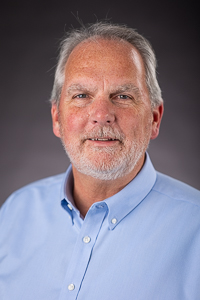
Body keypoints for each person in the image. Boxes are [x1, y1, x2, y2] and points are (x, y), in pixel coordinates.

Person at [0, 22, 200, 300]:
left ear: (154, 118)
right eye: (82, 95)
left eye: (123, 96)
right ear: (57, 118)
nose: (102, 114)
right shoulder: (15, 213)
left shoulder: (195, 228)